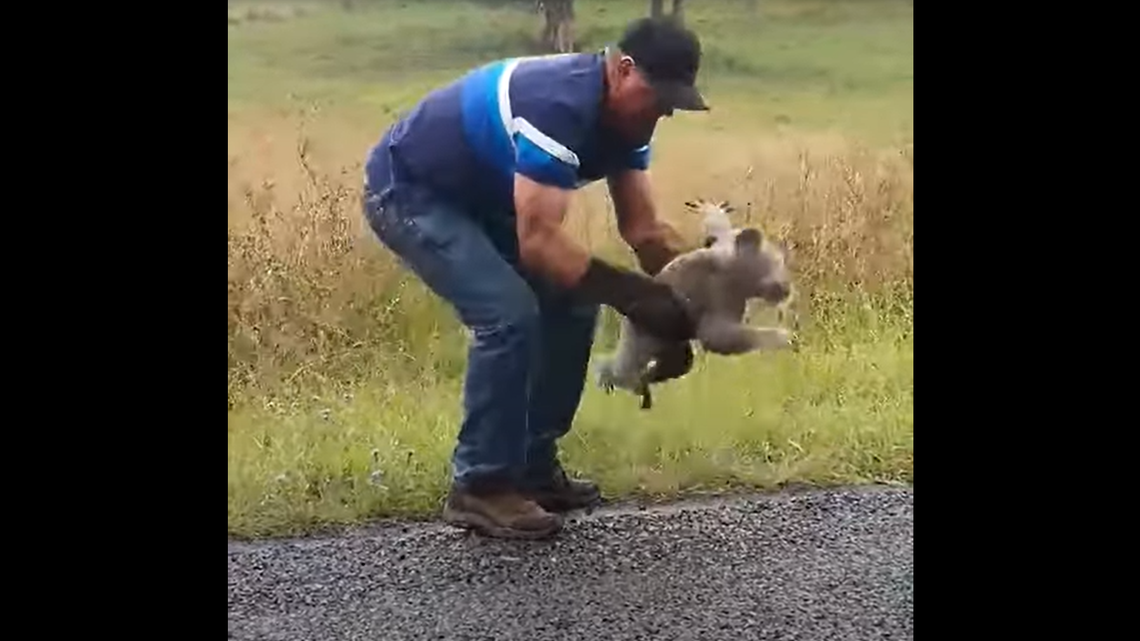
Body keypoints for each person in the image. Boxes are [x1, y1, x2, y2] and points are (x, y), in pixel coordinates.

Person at [361, 16, 709, 539]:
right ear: (623, 69)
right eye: (657, 95)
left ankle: (530, 467)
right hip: (412, 193)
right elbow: (540, 242)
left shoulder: (628, 123)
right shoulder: (558, 104)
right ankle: (481, 485)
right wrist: (637, 298)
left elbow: (644, 232)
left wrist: (697, 302)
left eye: (672, 104)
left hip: (482, 200)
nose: (661, 112)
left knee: (573, 303)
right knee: (507, 316)